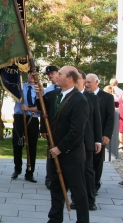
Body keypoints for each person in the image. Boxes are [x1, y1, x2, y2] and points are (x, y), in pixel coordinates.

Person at [36, 65, 89, 223]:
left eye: (60, 74)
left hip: (71, 155)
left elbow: (76, 131)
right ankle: (54, 219)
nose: (56, 76)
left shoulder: (79, 100)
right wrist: (40, 93)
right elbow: (41, 107)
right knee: (56, 189)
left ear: (70, 78)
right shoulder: (54, 94)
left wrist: (60, 148)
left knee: (78, 192)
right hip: (54, 152)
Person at [69, 70, 102, 211]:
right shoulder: (68, 97)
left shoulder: (92, 98)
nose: (77, 82)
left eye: (79, 80)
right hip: (72, 141)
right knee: (75, 171)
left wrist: (98, 140)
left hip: (87, 140)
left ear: (83, 81)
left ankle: (90, 200)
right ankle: (76, 200)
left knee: (88, 171)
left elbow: (97, 121)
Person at [85, 73, 115, 195]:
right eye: (85, 82)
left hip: (100, 134)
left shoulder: (107, 97)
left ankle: (95, 184)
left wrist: (107, 135)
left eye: (89, 82)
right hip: (86, 134)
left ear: (96, 82)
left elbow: (110, 117)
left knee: (97, 160)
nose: (86, 84)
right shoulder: (83, 96)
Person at [11, 69, 40, 183]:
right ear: (27, 75)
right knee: (17, 143)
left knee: (32, 146)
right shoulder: (20, 86)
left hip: (32, 118)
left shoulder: (40, 89)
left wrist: (28, 108)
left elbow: (41, 107)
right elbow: (12, 92)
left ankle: (30, 172)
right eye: (30, 74)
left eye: (35, 74)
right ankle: (17, 169)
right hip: (19, 117)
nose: (32, 76)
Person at [43, 65, 60, 189]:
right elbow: (44, 112)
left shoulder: (68, 88)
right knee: (51, 152)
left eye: (52, 73)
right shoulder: (48, 91)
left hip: (64, 127)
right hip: (51, 127)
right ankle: (49, 178)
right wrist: (43, 128)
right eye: (49, 74)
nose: (50, 76)